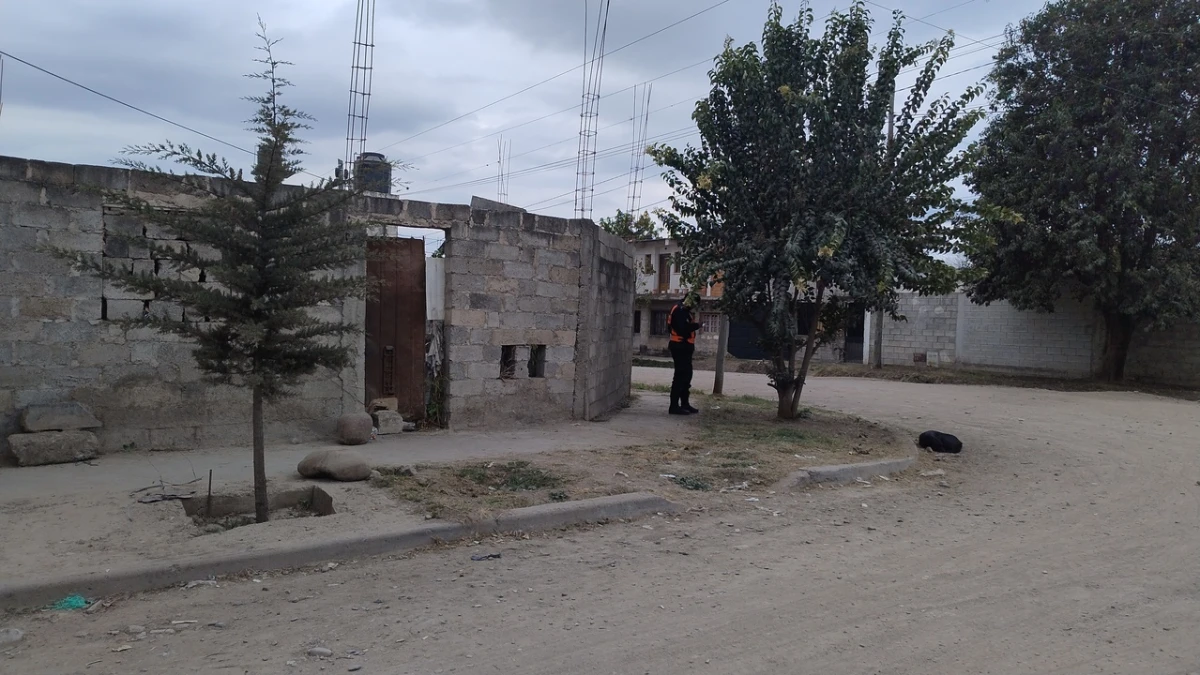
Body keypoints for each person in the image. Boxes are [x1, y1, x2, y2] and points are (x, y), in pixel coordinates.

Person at [667, 293, 701, 415]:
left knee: (687, 376)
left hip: (685, 347)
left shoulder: (685, 310)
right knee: (680, 377)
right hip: (679, 346)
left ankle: (685, 404)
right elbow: (682, 329)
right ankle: (674, 406)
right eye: (694, 304)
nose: (694, 307)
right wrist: (696, 326)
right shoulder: (679, 310)